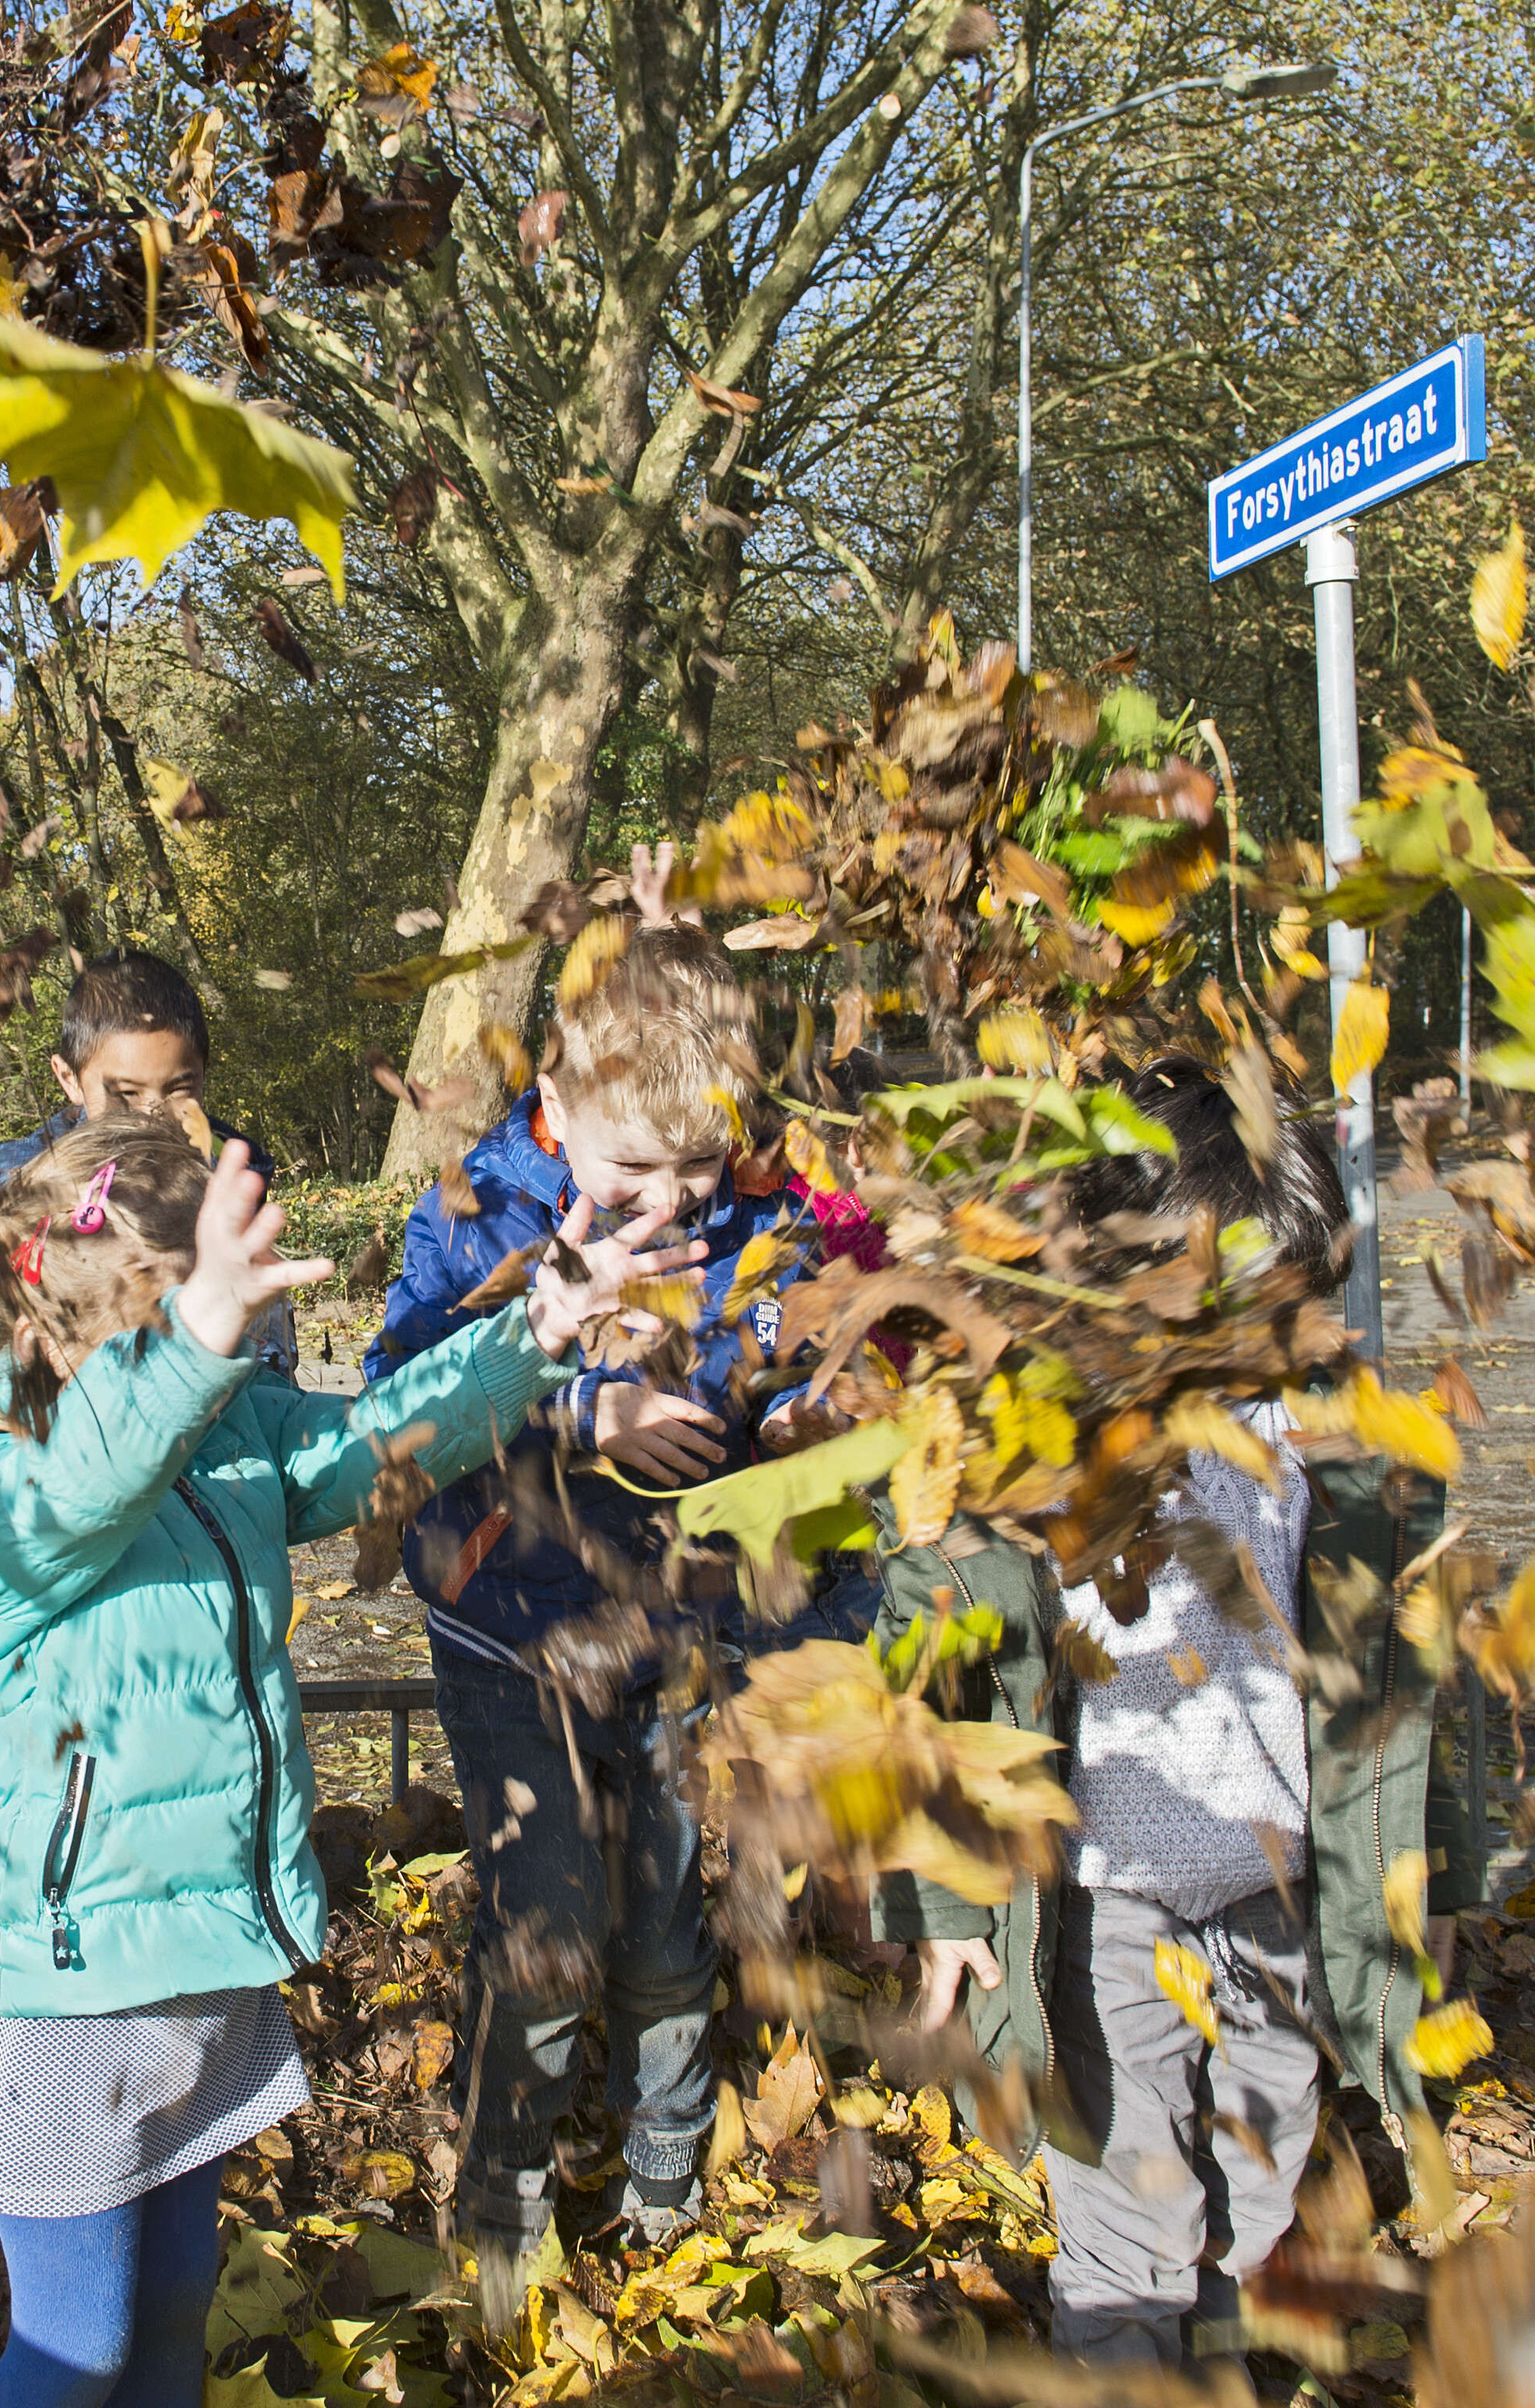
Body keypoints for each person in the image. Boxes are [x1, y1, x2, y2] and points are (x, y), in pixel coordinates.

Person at [0, 1116, 701, 2408]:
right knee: (74, 2348)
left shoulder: (217, 1428)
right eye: (196, 1316)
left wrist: (536, 1329)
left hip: (199, 1957)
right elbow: (70, 1504)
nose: (236, 1347)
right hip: (72, 1982)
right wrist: (189, 1350)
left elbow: (380, 1439)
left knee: (175, 2311)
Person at [875, 1056, 1448, 2371]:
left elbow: (1402, 1705)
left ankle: (1216, 2359)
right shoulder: (1031, 1447)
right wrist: (951, 1911)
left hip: (1277, 1889)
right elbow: (939, 1687)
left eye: (1284, 1306)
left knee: (1259, 2177)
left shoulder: (1328, 1455)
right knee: (1130, 2210)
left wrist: (1425, 1889)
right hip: (1105, 1892)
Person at [363, 913, 876, 2303]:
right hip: (511, 1625)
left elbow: (785, 1334)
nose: (668, 1204)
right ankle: (500, 2210)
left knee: (659, 1911)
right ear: (560, 1104)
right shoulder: (486, 1206)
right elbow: (397, 1397)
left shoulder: (749, 1208)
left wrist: (792, 1403)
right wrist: (586, 1406)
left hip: (669, 1621)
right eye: (634, 1170)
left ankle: (662, 2165)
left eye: (697, 1169)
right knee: (548, 1923)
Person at [0, 949, 296, 1377]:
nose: (153, 1114)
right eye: (125, 1093)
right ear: (69, 1078)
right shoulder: (8, 1183)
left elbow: (263, 1343)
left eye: (180, 1088)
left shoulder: (227, 1174)